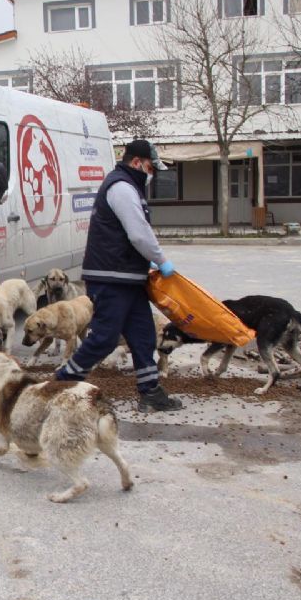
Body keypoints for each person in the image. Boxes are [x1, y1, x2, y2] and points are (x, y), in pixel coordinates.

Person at [55, 139, 183, 413]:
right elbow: (138, 232)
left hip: (127, 277)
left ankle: (150, 393)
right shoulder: (122, 187)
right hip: (111, 277)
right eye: (150, 167)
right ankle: (60, 385)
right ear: (137, 162)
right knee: (104, 338)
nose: (152, 174)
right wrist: (160, 260)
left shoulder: (128, 185)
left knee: (143, 335)